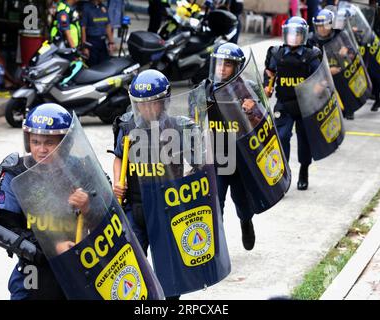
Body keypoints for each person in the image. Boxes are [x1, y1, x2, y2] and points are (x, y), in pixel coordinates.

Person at [0, 103, 91, 300]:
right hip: (33, 269)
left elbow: (111, 215)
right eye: (35, 142)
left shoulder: (81, 168)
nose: (41, 149)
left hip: (79, 267)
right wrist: (50, 247)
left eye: (49, 142)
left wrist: (88, 205)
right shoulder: (15, 173)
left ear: (65, 142)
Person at [112, 69, 199, 299]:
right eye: (141, 104)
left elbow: (199, 164)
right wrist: (117, 185)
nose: (147, 109)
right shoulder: (127, 126)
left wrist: (192, 176)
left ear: (165, 102)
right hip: (136, 207)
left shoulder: (179, 127)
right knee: (131, 263)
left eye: (153, 104)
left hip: (169, 209)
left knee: (169, 272)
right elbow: (120, 157)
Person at [198, 42, 266, 250]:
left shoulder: (248, 89)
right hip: (217, 154)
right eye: (219, 64)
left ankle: (246, 222)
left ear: (237, 67)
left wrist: (253, 110)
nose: (222, 69)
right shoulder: (205, 89)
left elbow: (263, 122)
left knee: (242, 201)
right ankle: (217, 247)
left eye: (227, 65)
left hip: (241, 154)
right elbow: (196, 122)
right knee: (214, 203)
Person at [263, 17, 322, 191]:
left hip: (305, 105)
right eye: (290, 33)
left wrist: (319, 87)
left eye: (297, 34)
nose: (293, 38)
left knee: (304, 140)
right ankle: (283, 173)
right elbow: (270, 72)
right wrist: (267, 86)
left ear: (303, 35)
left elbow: (320, 77)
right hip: (284, 103)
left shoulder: (312, 55)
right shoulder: (276, 53)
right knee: (281, 137)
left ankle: (304, 170)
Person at [308, 8, 357, 120]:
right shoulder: (311, 39)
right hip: (320, 73)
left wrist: (346, 53)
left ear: (331, 24)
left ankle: (349, 109)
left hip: (340, 70)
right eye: (319, 26)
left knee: (344, 81)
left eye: (324, 25)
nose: (322, 29)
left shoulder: (341, 35)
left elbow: (353, 55)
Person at [81, 0, 117, 66]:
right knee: (93, 67)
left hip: (102, 42)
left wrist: (111, 42)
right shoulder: (86, 8)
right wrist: (84, 47)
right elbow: (83, 28)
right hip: (91, 43)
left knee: (104, 66)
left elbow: (108, 25)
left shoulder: (104, 7)